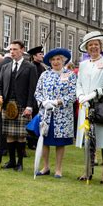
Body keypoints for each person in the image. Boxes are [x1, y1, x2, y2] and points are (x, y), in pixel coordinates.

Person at [76, 31, 103, 185]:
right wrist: (82, 96)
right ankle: (87, 171)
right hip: (86, 107)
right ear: (87, 48)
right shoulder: (83, 64)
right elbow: (79, 84)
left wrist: (93, 94)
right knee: (88, 140)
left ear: (100, 46)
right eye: (90, 45)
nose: (93, 47)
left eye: (96, 44)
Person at [0, 40, 37, 172]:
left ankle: (20, 162)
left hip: (23, 105)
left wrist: (30, 106)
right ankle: (11, 161)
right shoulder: (5, 67)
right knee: (9, 134)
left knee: (21, 135)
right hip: (8, 104)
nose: (12, 52)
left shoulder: (30, 67)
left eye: (15, 49)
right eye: (10, 49)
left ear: (22, 50)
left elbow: (33, 89)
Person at [34, 48, 77, 178]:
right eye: (53, 59)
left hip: (62, 114)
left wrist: (57, 102)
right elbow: (37, 92)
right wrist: (44, 102)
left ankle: (58, 169)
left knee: (60, 142)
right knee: (45, 140)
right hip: (46, 113)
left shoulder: (70, 75)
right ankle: (45, 167)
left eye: (58, 59)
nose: (56, 62)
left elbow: (73, 95)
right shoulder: (45, 75)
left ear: (63, 60)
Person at [26, 45, 46, 149]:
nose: (42, 56)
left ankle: (37, 140)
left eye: (42, 54)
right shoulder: (31, 66)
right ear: (34, 56)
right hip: (32, 98)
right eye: (40, 54)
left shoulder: (42, 67)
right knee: (32, 120)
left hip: (41, 99)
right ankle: (31, 142)